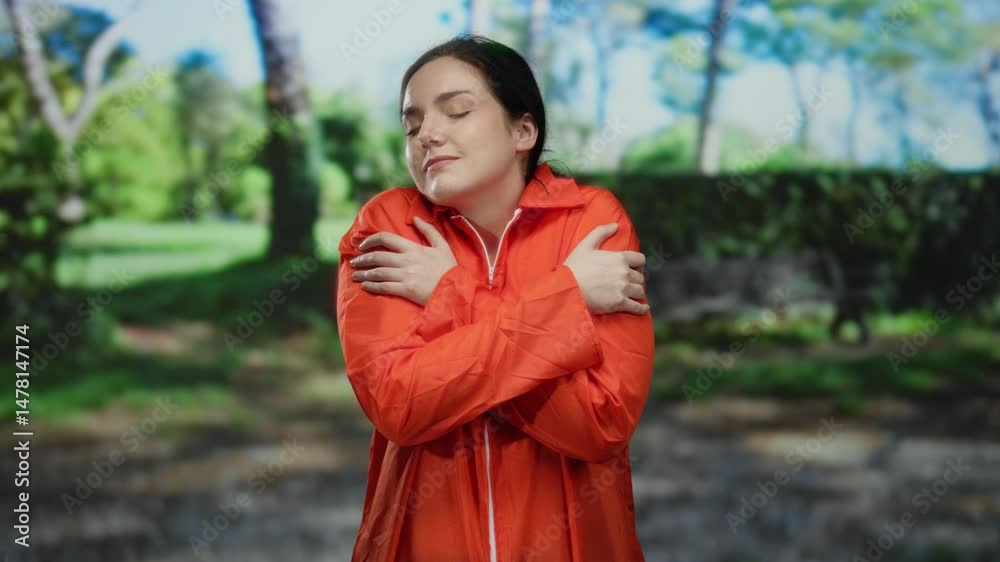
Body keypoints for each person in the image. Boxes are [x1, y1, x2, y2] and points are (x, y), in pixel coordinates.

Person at [336, 34, 654, 562]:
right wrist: (567, 298)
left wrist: (450, 296)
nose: (427, 134)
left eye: (457, 110)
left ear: (522, 130)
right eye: (411, 124)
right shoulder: (388, 226)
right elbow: (400, 403)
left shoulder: (593, 222)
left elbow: (601, 422)